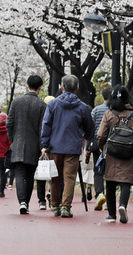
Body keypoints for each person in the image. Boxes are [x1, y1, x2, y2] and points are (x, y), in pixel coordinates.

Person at [40, 75, 95, 218]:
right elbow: (90, 127)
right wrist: (86, 137)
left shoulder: (52, 105)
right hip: (73, 147)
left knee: (55, 177)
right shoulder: (82, 107)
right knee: (69, 177)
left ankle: (55, 205)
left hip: (54, 146)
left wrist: (44, 144)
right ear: (77, 89)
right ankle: (66, 206)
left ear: (62, 87)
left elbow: (46, 124)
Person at [97, 85, 133, 224]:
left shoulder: (109, 114)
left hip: (111, 153)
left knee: (110, 182)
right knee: (126, 182)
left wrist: (101, 147)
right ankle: (122, 205)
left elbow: (101, 135)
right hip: (129, 154)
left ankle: (111, 215)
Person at [6, 75, 47, 214]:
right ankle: (26, 202)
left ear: (27, 85)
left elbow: (9, 123)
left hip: (18, 143)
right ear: (40, 87)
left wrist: (12, 140)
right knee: (29, 175)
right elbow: (43, 128)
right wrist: (43, 146)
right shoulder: (42, 105)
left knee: (19, 174)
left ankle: (22, 202)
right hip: (33, 145)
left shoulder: (16, 102)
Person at [89, 89, 110, 211]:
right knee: (109, 172)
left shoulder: (96, 110)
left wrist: (88, 148)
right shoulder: (114, 111)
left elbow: (90, 129)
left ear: (103, 98)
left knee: (98, 171)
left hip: (98, 145)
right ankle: (108, 199)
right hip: (112, 145)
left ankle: (99, 194)